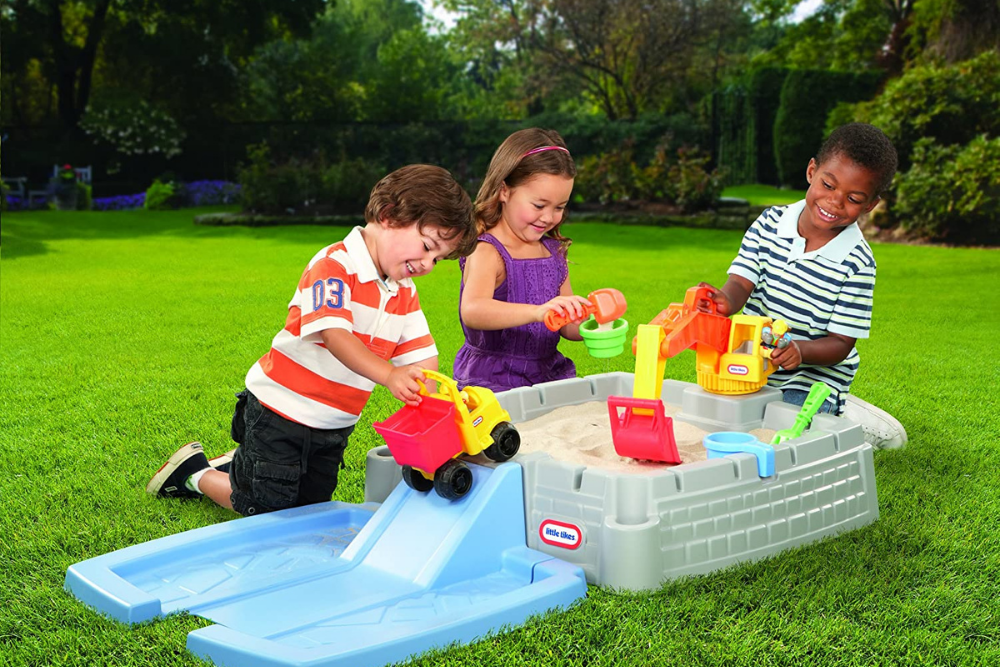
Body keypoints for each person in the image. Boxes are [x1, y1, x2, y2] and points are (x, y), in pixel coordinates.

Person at [146, 164, 477, 514]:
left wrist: (432, 394)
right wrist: (389, 375)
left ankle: (241, 467)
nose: (428, 263)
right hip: (280, 412)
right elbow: (334, 335)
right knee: (263, 507)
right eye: (427, 246)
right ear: (389, 214)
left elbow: (421, 356)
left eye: (438, 259)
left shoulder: (403, 291)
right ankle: (194, 473)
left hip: (333, 425)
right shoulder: (335, 265)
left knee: (309, 511)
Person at [695, 123, 907, 449]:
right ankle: (836, 416)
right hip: (750, 361)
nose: (835, 202)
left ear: (869, 205)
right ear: (811, 171)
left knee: (788, 435)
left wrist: (799, 351)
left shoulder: (857, 263)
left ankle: (846, 419)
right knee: (716, 417)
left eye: (852, 198)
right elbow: (740, 281)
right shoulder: (768, 224)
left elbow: (841, 343)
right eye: (828, 184)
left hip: (810, 378)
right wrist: (724, 300)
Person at [453, 128, 592, 392]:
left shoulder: (553, 252)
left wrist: (589, 323)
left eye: (560, 207)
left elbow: (567, 327)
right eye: (539, 206)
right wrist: (537, 312)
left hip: (548, 374)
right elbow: (473, 310)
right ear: (504, 191)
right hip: (493, 379)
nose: (549, 217)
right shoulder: (487, 250)